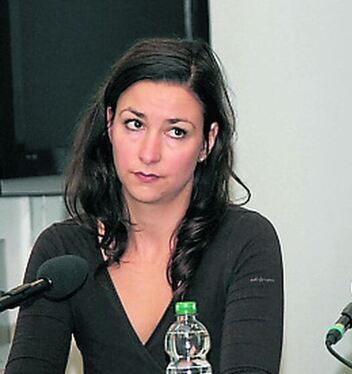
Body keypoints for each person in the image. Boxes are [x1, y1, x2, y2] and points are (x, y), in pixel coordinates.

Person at [5, 38, 283, 373]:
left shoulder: (244, 241)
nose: (149, 153)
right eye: (135, 124)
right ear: (110, 124)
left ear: (207, 142)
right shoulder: (63, 254)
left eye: (176, 132)